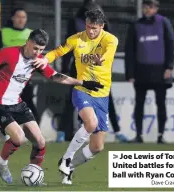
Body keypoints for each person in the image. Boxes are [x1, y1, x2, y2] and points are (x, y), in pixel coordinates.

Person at [0, 29, 103, 184]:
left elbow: (56, 77)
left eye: (41, 50)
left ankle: (35, 174)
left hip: (17, 103)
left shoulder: (37, 61)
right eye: (35, 48)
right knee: (18, 138)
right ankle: (2, 163)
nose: (37, 53)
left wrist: (83, 83)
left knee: (40, 142)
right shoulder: (8, 53)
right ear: (28, 42)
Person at [33, 9, 119, 185]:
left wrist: (100, 60)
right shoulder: (76, 39)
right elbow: (57, 52)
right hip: (82, 89)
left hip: (102, 94)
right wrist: (45, 59)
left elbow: (107, 55)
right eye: (88, 26)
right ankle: (67, 158)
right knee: (91, 123)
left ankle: (69, 166)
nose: (91, 31)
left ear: (102, 26)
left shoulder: (111, 39)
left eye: (94, 28)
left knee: (97, 147)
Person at [57, 0, 128, 143]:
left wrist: (65, 67)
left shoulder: (98, 22)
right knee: (83, 99)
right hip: (82, 67)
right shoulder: (79, 21)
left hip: (94, 68)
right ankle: (63, 132)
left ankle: (62, 133)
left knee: (76, 100)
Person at [125, 0, 174, 143]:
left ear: (156, 8)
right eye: (145, 7)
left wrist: (169, 67)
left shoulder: (164, 22)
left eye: (150, 7)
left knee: (161, 103)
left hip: (160, 71)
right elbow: (130, 51)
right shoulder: (136, 25)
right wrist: (130, 73)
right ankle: (139, 135)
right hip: (141, 71)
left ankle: (161, 135)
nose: (147, 9)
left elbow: (171, 45)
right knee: (139, 104)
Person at [0, 8, 38, 140]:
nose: (21, 20)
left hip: (23, 77)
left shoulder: (31, 34)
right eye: (18, 17)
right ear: (13, 18)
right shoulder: (4, 33)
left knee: (28, 103)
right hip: (5, 77)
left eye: (24, 17)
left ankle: (33, 132)